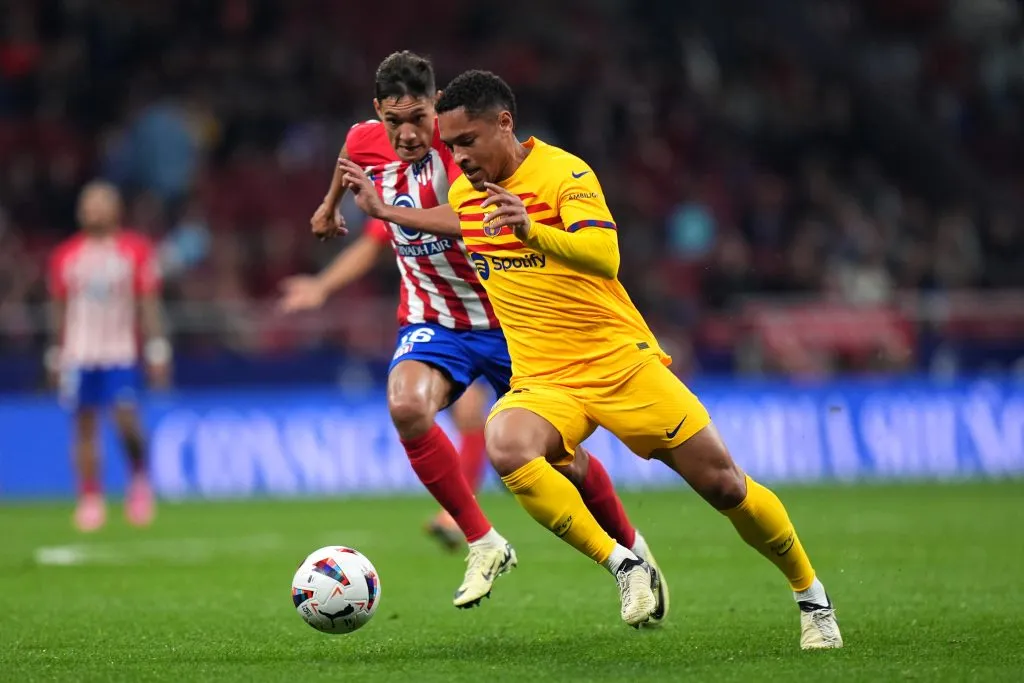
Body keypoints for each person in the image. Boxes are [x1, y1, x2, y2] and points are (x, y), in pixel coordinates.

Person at [339, 69, 842, 648]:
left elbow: (605, 255)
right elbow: (454, 222)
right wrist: (386, 212)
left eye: (467, 142)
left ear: (505, 124)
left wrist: (533, 231)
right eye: (450, 146)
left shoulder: (565, 173)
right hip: (543, 379)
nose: (458, 157)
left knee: (725, 486)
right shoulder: (464, 193)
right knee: (507, 446)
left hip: (617, 364)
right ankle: (625, 564)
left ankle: (811, 596)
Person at [299, 52, 665, 615]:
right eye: (393, 120)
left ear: (435, 104)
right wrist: (328, 208)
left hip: (508, 322)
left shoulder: (462, 151)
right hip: (434, 319)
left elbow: (465, 217)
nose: (407, 133)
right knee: (406, 407)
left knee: (563, 459)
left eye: (418, 117)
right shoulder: (366, 138)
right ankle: (483, 541)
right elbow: (350, 153)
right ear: (377, 112)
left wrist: (386, 214)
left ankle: (632, 547)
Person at [280, 220, 492, 551]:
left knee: (522, 428)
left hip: (499, 312)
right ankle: (459, 516)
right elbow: (371, 243)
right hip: (442, 323)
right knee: (466, 412)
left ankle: (495, 491)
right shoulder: (403, 187)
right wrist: (322, 286)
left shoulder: (472, 181)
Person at [47, 181, 169, 532]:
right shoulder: (66, 256)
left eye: (101, 203)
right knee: (84, 426)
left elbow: (148, 303)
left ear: (116, 209)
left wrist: (157, 348)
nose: (93, 210)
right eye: (88, 204)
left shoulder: (134, 250)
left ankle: (139, 479)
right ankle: (90, 498)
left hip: (121, 352)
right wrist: (56, 354)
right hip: (79, 354)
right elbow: (59, 308)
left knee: (126, 419)